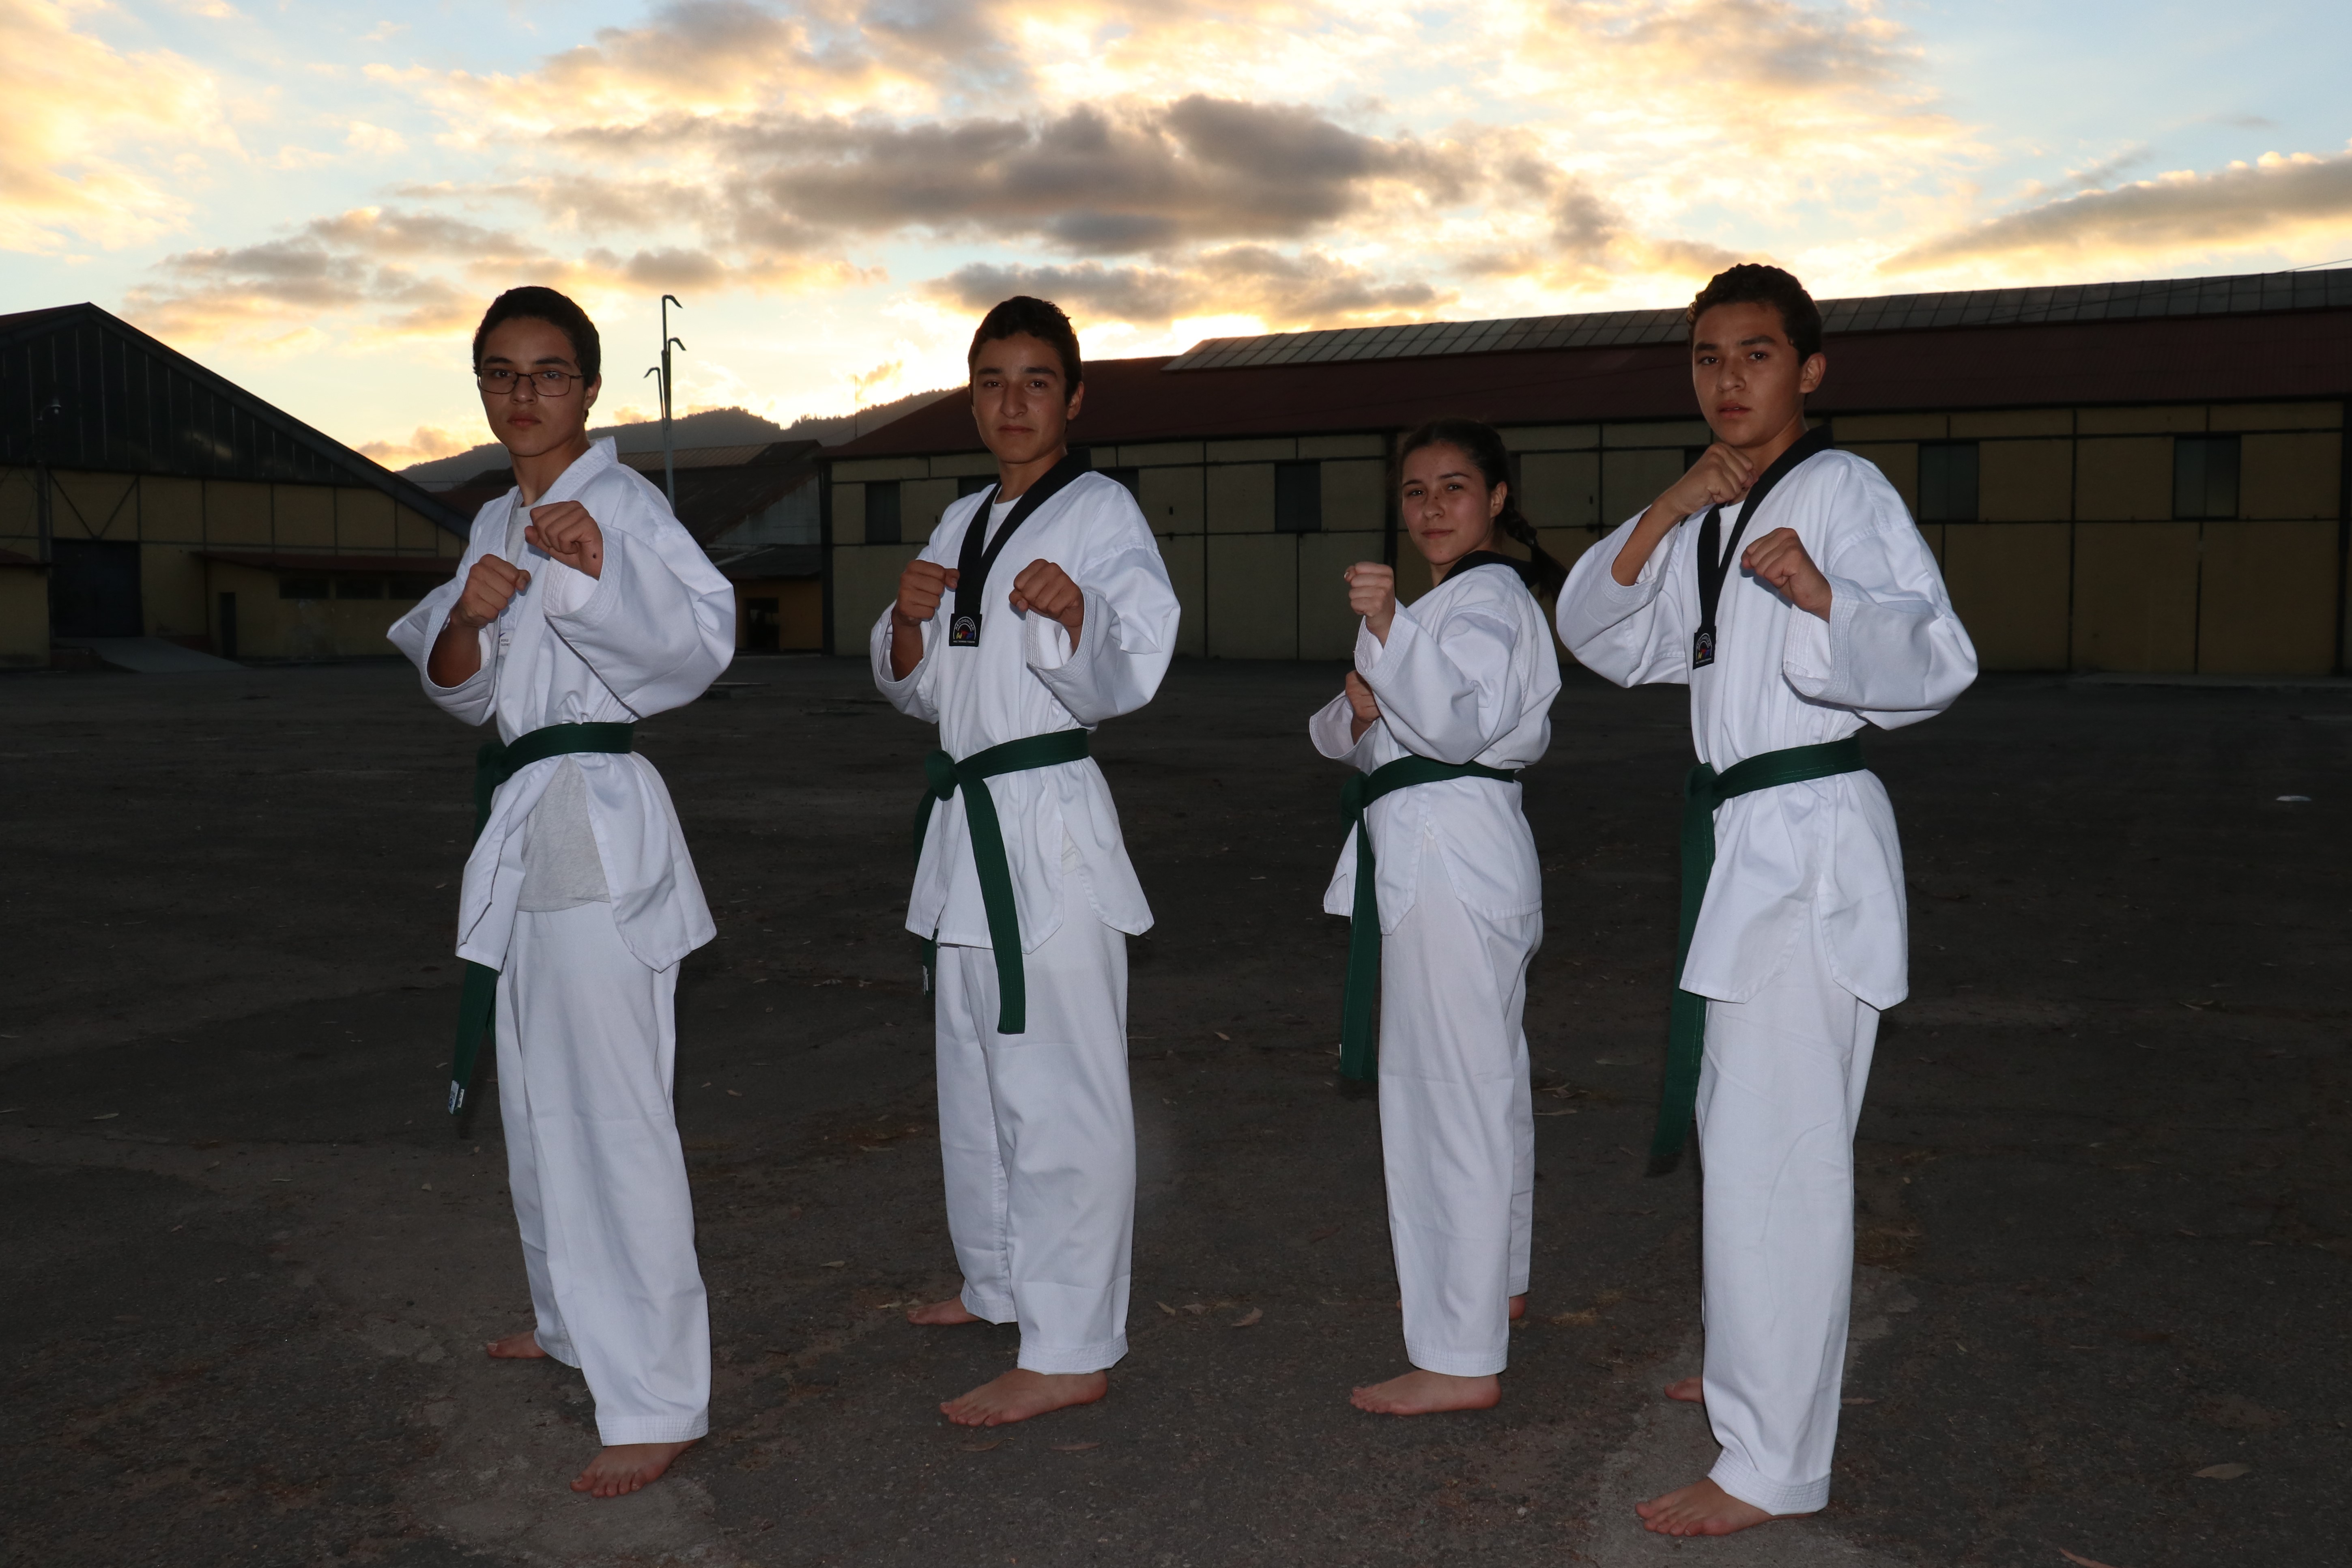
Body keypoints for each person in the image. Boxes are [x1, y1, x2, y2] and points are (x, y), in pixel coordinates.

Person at [1554, 264, 1977, 1534]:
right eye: (1703, 359)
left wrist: (1824, 597)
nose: (1725, 380)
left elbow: (1937, 655)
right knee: (1744, 1129)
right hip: (1742, 841)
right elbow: (1595, 627)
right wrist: (1673, 499)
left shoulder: (1840, 490)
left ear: (1808, 370)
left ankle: (1770, 1462)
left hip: (1806, 839)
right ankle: (1756, 1371)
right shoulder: (1711, 510)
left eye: (1751, 355)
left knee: (1780, 1152)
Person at [387, 286, 735, 1498]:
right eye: (499, 373)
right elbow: (454, 687)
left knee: (613, 1113)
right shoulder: (492, 518)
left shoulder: (625, 506)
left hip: (595, 812)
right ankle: (572, 1319)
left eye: (545, 372)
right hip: (523, 822)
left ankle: (655, 1394)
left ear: (589, 387)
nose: (520, 393)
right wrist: (469, 628)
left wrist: (593, 578)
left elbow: (699, 646)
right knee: (537, 1103)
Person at [876, 296, 1180, 1427]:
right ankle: (998, 1277)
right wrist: (904, 629)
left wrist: (1076, 615)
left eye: (1036, 381)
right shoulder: (955, 520)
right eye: (992, 379)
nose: (1012, 401)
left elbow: (1132, 663)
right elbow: (920, 688)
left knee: (1061, 1091)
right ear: (971, 394)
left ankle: (1069, 1341)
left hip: (1045, 825)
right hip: (965, 826)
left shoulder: (1101, 513)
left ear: (1074, 398)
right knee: (974, 1072)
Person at [1311, 418, 1565, 1417]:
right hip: (1450, 854)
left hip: (1448, 858)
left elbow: (1452, 724)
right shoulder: (1448, 609)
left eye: (1454, 487)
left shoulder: (1487, 600)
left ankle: (1460, 1354)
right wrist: (1371, 682)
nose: (1431, 507)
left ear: (1497, 498)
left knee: (1440, 1094)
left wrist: (1385, 633)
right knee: (1484, 1081)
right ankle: (1492, 1284)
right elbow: (1339, 728)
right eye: (1415, 491)